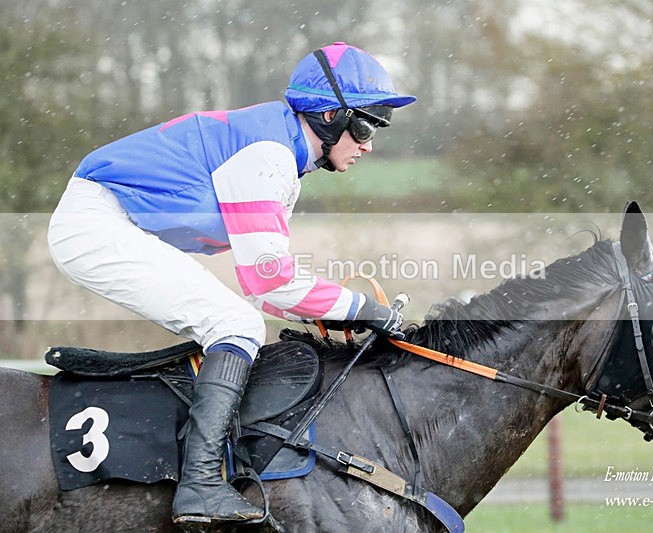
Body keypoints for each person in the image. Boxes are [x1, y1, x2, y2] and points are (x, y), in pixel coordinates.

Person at [47, 42, 415, 525]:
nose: (369, 143)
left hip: (110, 222)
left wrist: (338, 311)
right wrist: (364, 308)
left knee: (234, 320)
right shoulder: (268, 155)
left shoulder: (281, 153)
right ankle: (199, 484)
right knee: (234, 323)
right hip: (96, 224)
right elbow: (273, 284)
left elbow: (267, 287)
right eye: (366, 124)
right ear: (328, 115)